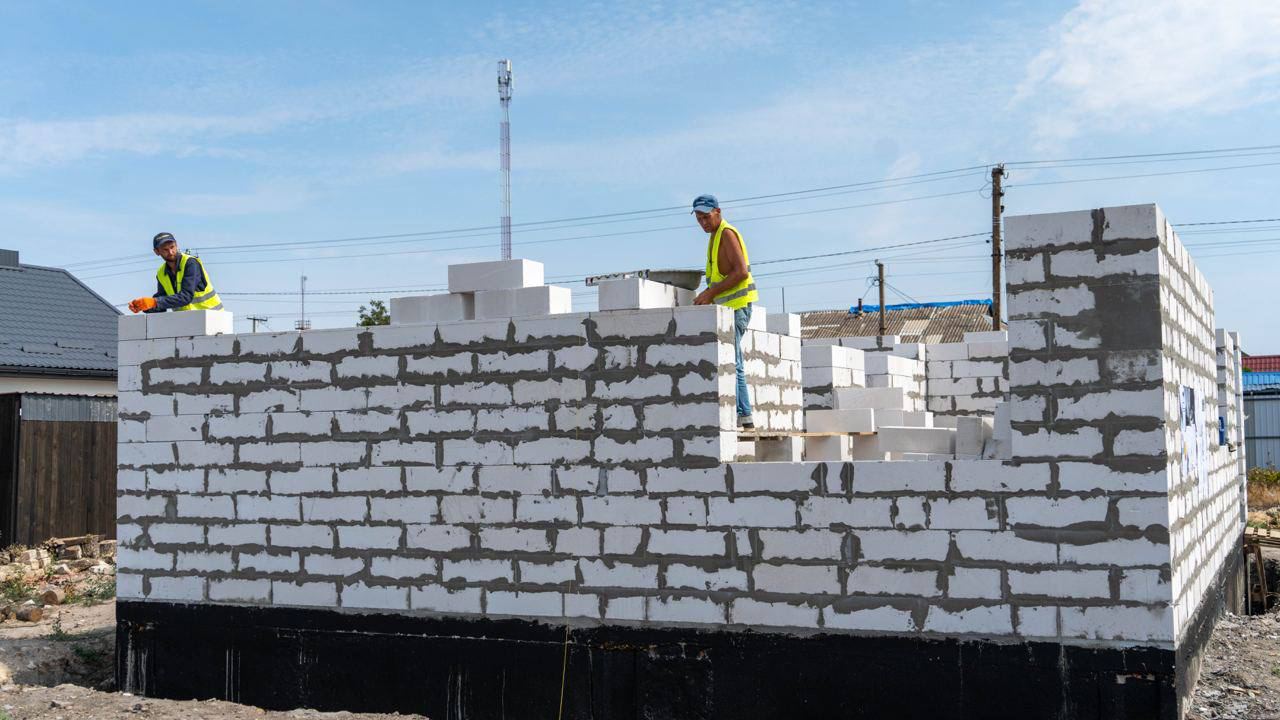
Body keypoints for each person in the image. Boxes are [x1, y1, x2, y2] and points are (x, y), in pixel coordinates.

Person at [691, 194, 759, 429]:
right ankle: (743, 414)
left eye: (706, 217)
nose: (703, 223)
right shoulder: (714, 237)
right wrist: (705, 294)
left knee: (734, 361)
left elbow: (741, 272)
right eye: (699, 219)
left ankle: (745, 416)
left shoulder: (727, 234)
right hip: (728, 310)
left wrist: (710, 294)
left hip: (738, 309)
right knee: (731, 360)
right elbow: (720, 276)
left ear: (718, 211)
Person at [128, 232, 224, 313]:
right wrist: (143, 306)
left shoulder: (190, 263)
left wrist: (154, 302)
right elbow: (162, 304)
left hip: (213, 318)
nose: (170, 252)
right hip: (191, 322)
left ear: (176, 245)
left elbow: (186, 297)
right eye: (165, 249)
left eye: (172, 247)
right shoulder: (161, 273)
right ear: (157, 252)